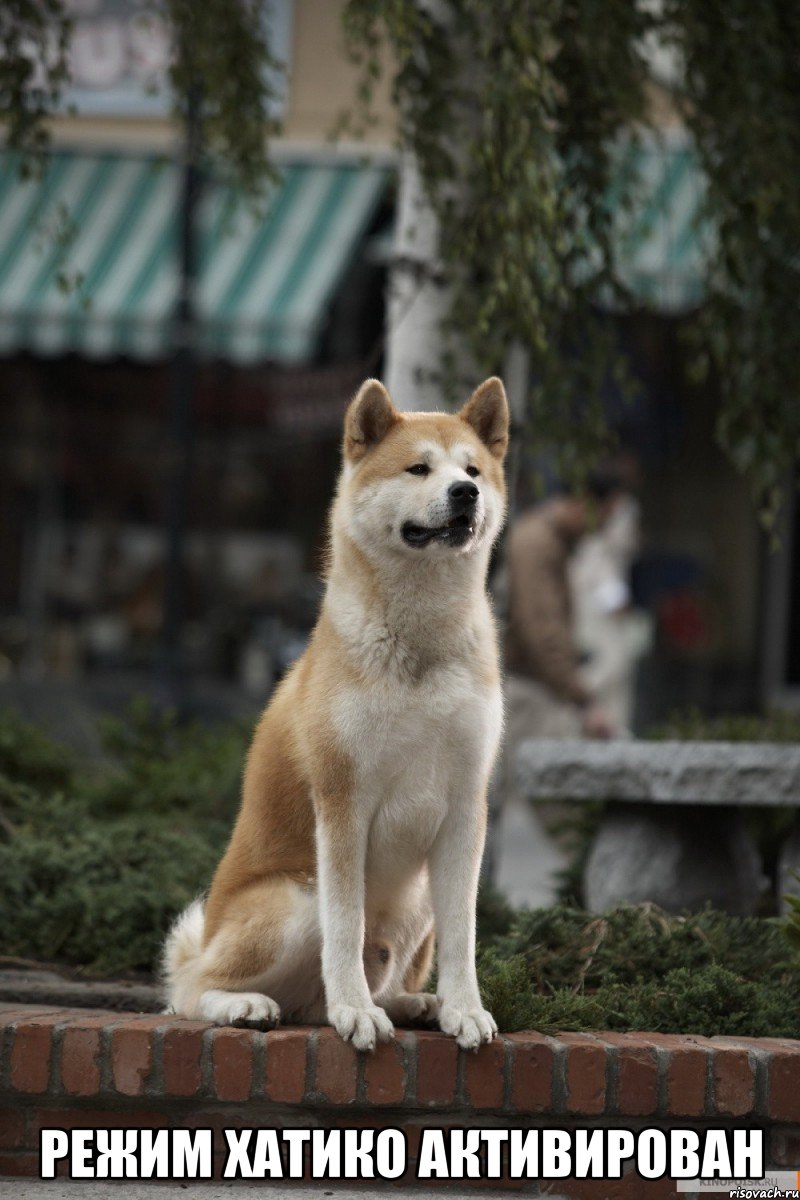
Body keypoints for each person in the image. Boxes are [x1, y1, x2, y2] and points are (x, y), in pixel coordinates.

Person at [504, 470, 627, 743]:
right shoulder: (538, 544)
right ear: (586, 502)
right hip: (527, 691)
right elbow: (542, 630)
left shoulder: (551, 541)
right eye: (606, 515)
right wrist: (583, 701)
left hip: (537, 687)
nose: (605, 527)